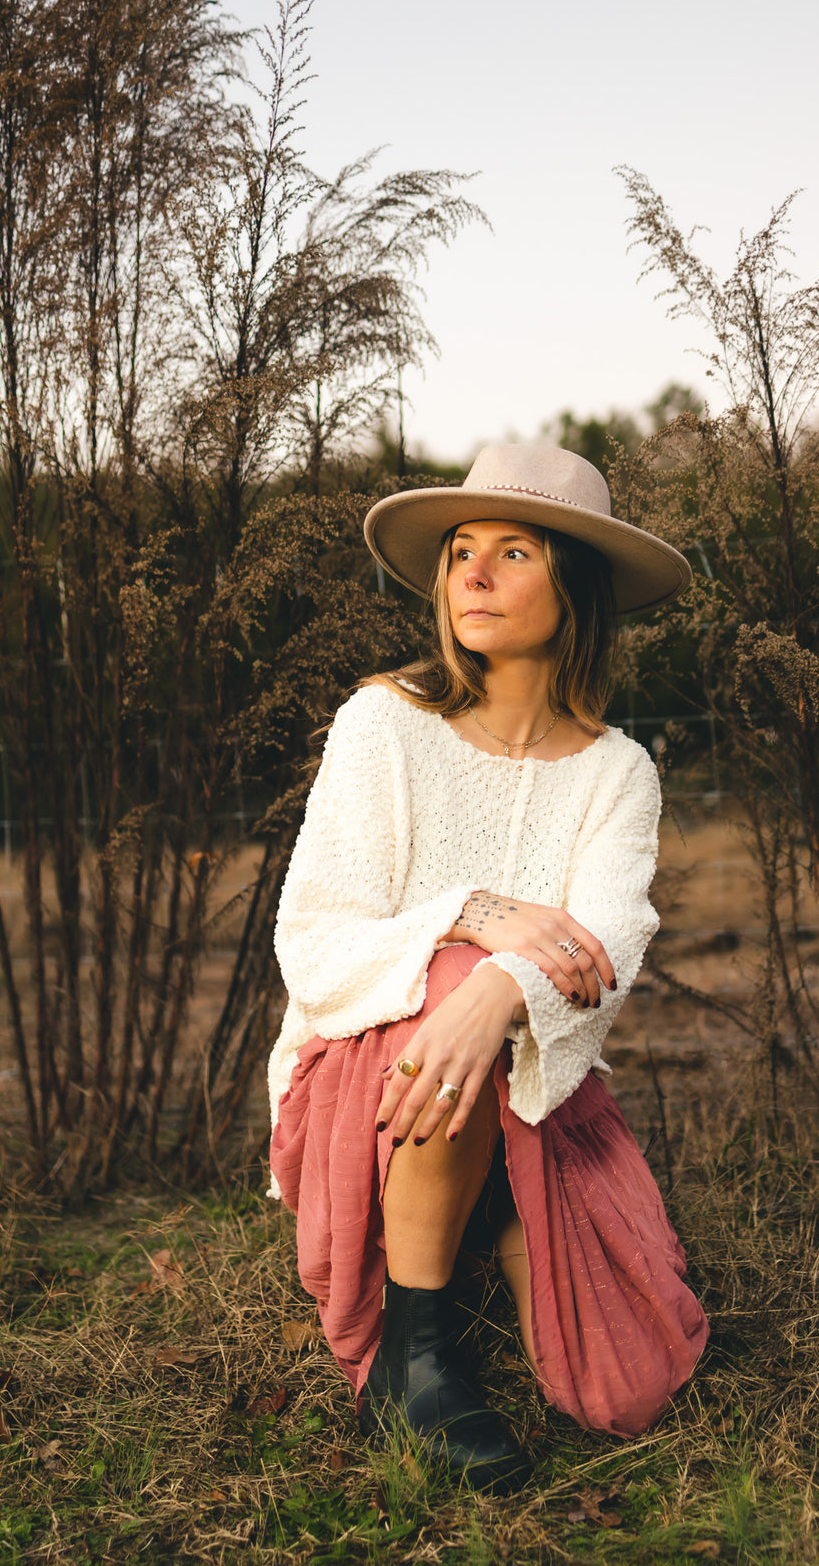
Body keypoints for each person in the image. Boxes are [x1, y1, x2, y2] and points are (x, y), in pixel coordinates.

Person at [267, 444, 708, 1494]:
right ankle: (411, 1364)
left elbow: (606, 949)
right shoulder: (383, 725)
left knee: (628, 1390)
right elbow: (316, 940)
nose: (472, 573)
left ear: (577, 586)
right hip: (361, 1079)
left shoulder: (618, 774)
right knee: (464, 977)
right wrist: (472, 925)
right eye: (462, 552)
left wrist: (499, 994)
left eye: (514, 552)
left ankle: (492, 1210)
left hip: (531, 1087)